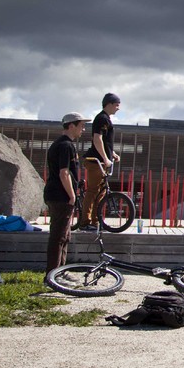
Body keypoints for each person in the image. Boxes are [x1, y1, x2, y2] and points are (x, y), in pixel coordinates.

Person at [45, 112, 87, 273]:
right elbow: (64, 173)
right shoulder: (65, 145)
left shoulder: (63, 144)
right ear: (71, 126)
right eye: (81, 126)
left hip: (58, 195)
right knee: (58, 236)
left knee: (64, 236)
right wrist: (71, 195)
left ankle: (60, 272)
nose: (83, 129)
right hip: (60, 195)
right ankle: (52, 274)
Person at [79, 92, 122, 231]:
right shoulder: (102, 118)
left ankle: (95, 221)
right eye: (116, 105)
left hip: (102, 161)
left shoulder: (106, 119)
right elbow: (97, 139)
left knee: (100, 192)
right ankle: (85, 222)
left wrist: (112, 154)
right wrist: (104, 158)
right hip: (96, 161)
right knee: (93, 191)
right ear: (108, 104)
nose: (118, 108)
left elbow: (105, 141)